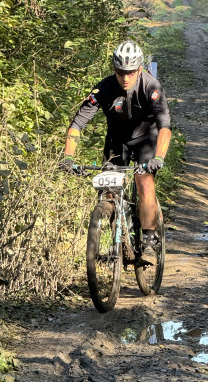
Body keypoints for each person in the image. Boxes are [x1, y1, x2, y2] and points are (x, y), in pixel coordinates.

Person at [60, 40, 172, 261]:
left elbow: (164, 128)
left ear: (139, 69)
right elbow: (77, 125)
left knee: (144, 181)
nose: (126, 77)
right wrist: (68, 156)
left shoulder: (151, 86)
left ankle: (149, 242)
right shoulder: (104, 88)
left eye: (130, 72)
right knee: (109, 188)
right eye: (121, 72)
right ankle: (117, 237)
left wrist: (159, 157)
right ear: (114, 69)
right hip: (117, 141)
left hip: (146, 140)